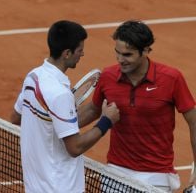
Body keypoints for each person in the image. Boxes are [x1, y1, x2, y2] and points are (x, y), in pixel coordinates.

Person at [78, 20, 196, 192]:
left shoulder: (171, 78)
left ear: (146, 51)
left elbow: (193, 120)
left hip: (157, 175)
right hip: (116, 172)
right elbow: (93, 109)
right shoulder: (108, 76)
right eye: (117, 53)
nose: (120, 60)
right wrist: (60, 125)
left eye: (127, 55)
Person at [10, 20, 120, 193]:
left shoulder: (33, 77)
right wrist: (107, 121)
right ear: (67, 53)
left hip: (35, 187)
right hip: (60, 187)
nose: (82, 54)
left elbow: (16, 117)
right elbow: (75, 147)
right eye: (80, 50)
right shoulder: (60, 94)